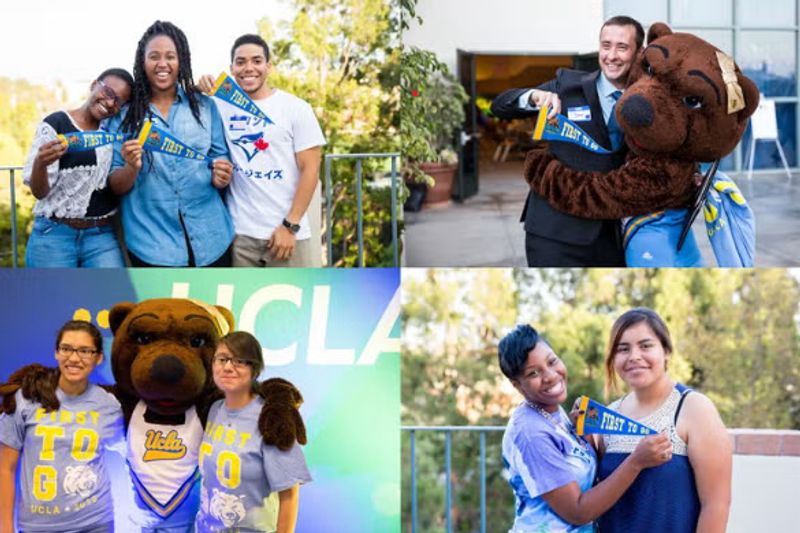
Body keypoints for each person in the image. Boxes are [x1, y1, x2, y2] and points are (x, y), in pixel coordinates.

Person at [491, 16, 644, 267]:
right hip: (554, 233)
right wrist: (533, 97)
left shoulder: (647, 99)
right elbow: (500, 106)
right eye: (606, 46)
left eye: (622, 47)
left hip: (611, 236)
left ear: (638, 52)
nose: (611, 55)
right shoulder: (566, 86)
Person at [498, 324, 671, 532]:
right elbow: (578, 512)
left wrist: (584, 435)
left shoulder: (553, 412)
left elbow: (589, 478)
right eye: (533, 373)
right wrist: (636, 461)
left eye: (552, 362)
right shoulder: (531, 433)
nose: (550, 376)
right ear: (517, 385)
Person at [107, 20, 235, 267]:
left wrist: (221, 173)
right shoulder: (123, 118)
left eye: (170, 56)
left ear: (181, 61)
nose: (162, 64)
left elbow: (220, 157)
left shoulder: (205, 106)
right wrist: (131, 167)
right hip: (152, 247)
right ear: (142, 62)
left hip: (212, 239)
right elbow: (115, 185)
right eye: (154, 56)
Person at [198, 34, 326, 267]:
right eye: (241, 62)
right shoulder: (220, 105)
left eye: (257, 61)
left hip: (288, 235)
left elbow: (311, 169)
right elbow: (182, 99)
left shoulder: (296, 108)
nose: (249, 68)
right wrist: (198, 86)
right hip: (241, 236)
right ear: (231, 68)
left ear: (269, 66)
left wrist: (290, 225)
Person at [598, 308, 732, 532]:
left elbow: (716, 505)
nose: (634, 356)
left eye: (645, 346)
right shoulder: (609, 415)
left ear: (666, 351)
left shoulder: (694, 409)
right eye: (623, 349)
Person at [0, 320, 124, 533]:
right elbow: (5, 468)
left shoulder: (109, 405)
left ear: (99, 358)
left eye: (85, 351)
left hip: (95, 524)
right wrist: (5, 528)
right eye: (66, 348)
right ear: (56, 353)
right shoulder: (27, 398)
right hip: (37, 527)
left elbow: (131, 452)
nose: (74, 358)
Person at [196, 331, 311, 532]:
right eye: (221, 359)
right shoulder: (214, 409)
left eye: (239, 361)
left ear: (255, 369)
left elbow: (289, 495)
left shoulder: (272, 417)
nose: (228, 367)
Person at [23, 69, 133, 267]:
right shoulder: (56, 124)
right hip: (54, 236)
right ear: (94, 85)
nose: (110, 103)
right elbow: (39, 192)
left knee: (114, 287)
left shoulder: (113, 132)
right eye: (108, 92)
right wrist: (40, 163)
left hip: (101, 237)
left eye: (118, 101)